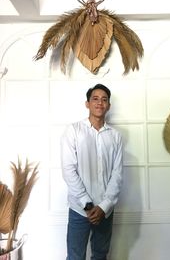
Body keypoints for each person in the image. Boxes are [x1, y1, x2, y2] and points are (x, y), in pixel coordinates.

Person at [60, 83, 123, 260]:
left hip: (105, 211)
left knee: (100, 255)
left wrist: (103, 207)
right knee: (75, 257)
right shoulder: (73, 131)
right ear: (87, 103)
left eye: (104, 100)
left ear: (108, 105)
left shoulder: (115, 136)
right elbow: (68, 170)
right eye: (95, 99)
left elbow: (117, 175)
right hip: (80, 210)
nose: (99, 103)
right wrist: (88, 205)